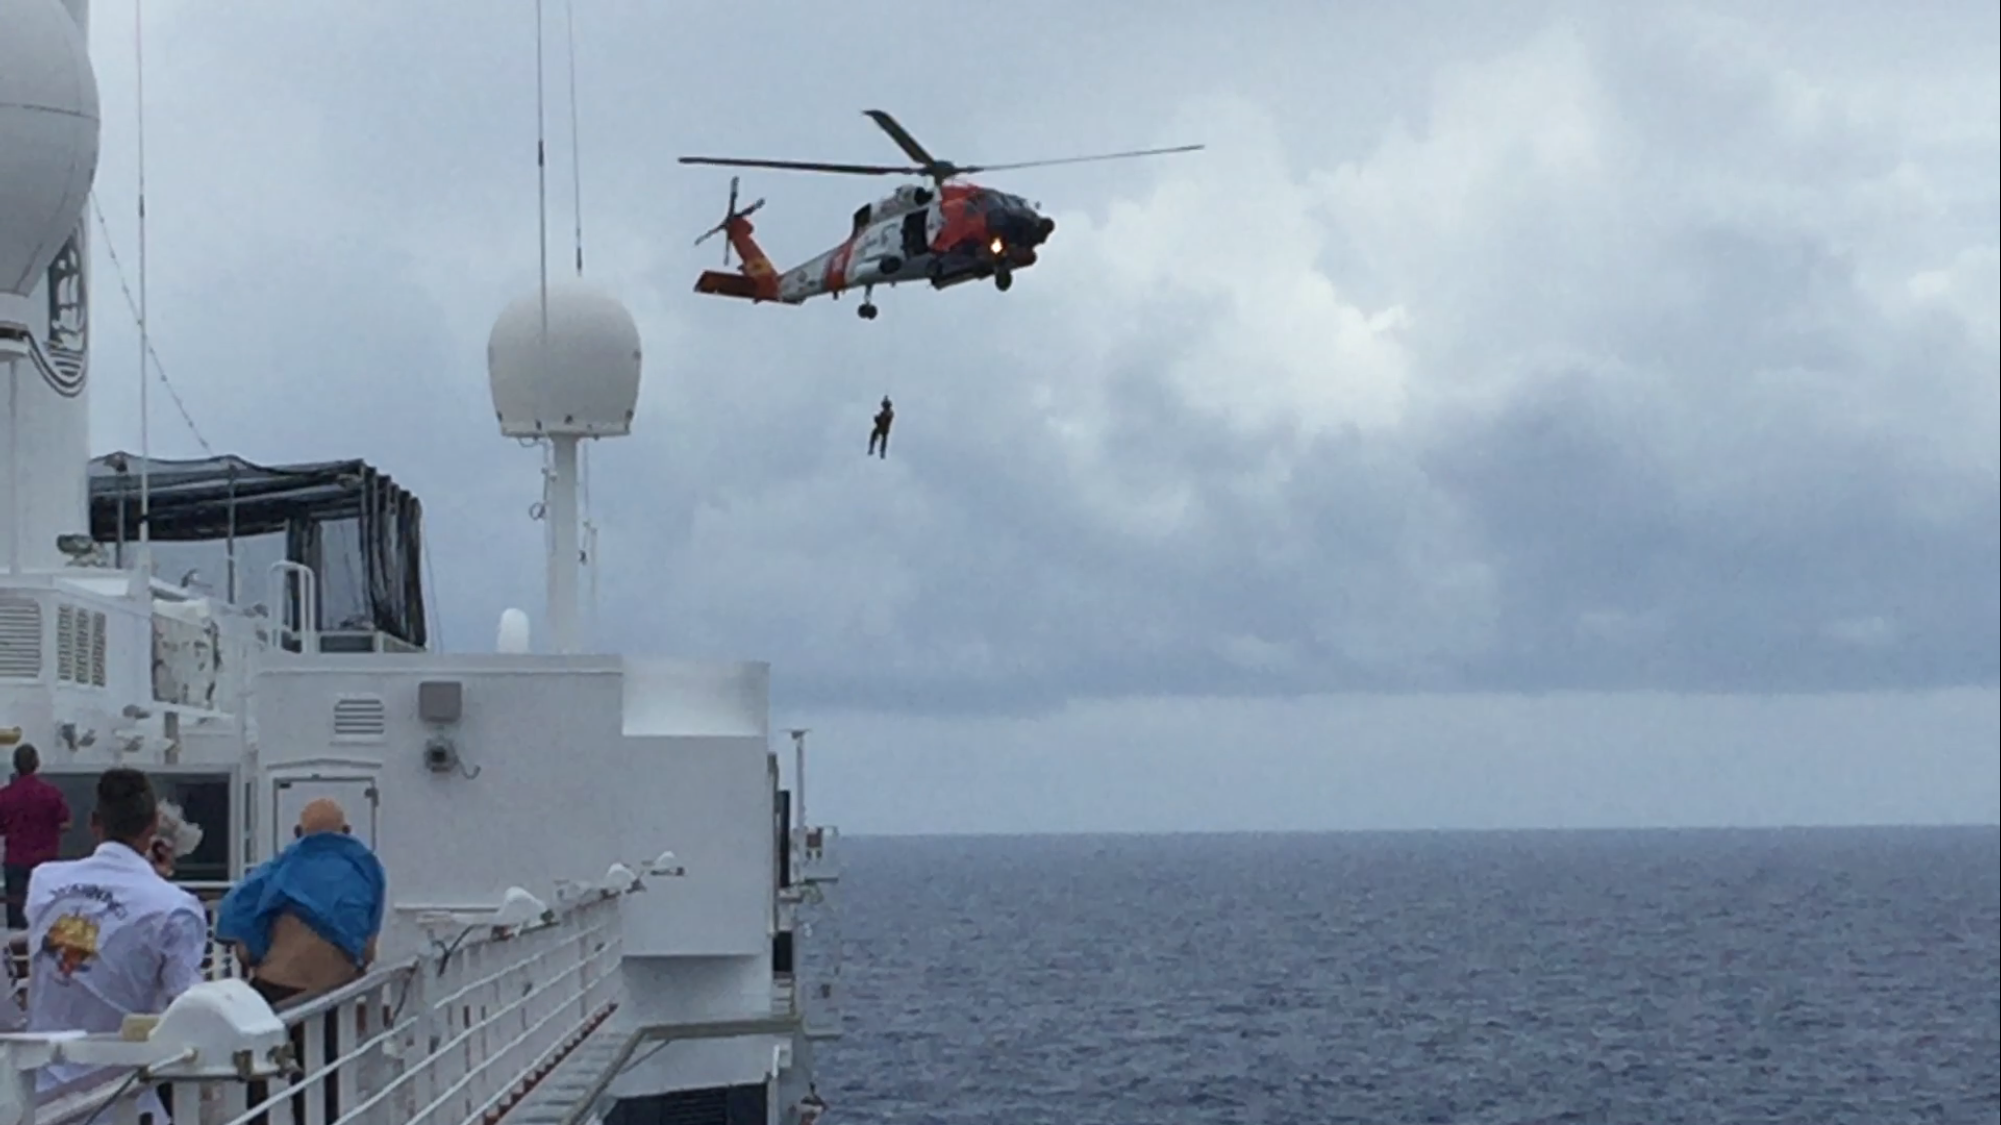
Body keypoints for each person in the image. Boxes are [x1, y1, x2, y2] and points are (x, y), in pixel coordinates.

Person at [25, 767, 206, 1121]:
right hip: (122, 1094)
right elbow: (185, 1004)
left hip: (40, 1093)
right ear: (154, 824)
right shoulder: (173, 907)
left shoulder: (44, 881)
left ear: (94, 822)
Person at [217, 798, 385, 1124]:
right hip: (329, 996)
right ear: (348, 832)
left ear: (297, 833)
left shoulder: (273, 874)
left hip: (272, 993)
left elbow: (244, 946)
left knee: (261, 1091)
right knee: (323, 1092)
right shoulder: (366, 874)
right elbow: (366, 953)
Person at [0, 743, 71, 931]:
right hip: (46, 862)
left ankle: (19, 957)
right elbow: (65, 824)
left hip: (16, 861)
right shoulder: (51, 793)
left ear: (15, 765)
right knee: (46, 915)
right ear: (37, 763)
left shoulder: (5, 796)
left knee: (17, 917)